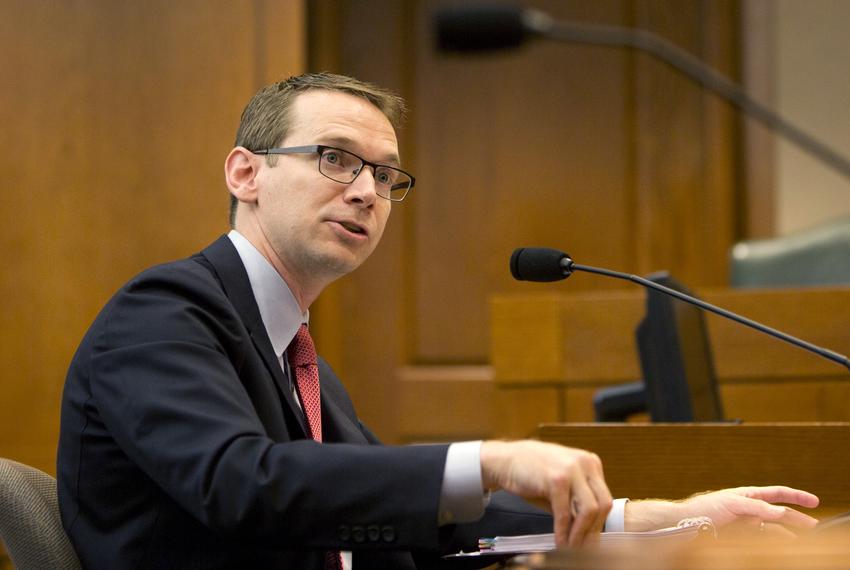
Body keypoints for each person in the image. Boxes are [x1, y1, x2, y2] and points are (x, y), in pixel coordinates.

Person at [57, 73, 819, 570]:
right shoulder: (162, 312)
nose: (366, 192)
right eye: (335, 158)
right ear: (245, 172)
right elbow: (243, 483)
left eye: (386, 175)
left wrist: (657, 518)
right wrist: (487, 457)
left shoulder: (300, 360)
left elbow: (431, 521)